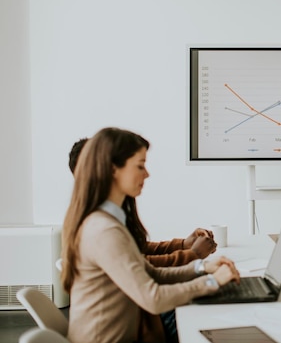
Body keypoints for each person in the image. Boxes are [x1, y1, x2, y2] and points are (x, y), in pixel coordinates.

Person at [62, 128, 241, 343]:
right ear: (112, 169)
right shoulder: (104, 231)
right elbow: (153, 298)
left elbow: (152, 274)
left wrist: (202, 268)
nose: (147, 174)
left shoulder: (109, 222)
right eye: (140, 166)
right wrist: (212, 282)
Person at [69, 137, 217, 265]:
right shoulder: (99, 225)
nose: (146, 174)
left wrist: (183, 245)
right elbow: (141, 266)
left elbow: (136, 250)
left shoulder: (111, 210)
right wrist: (194, 255)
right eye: (139, 166)